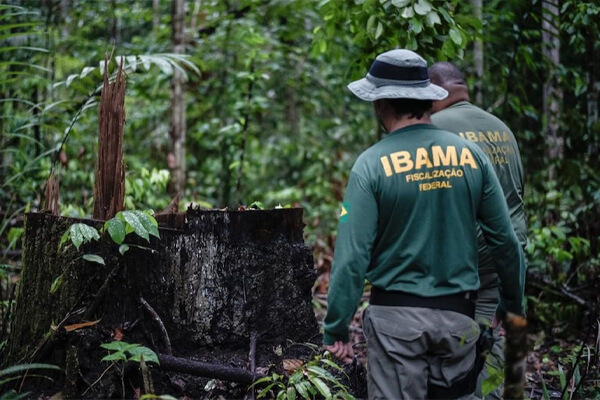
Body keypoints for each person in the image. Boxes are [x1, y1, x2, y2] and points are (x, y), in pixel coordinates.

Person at [322, 49, 526, 400]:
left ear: (381, 104)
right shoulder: (471, 156)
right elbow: (505, 241)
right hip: (460, 322)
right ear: (427, 101)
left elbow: (352, 257)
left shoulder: (370, 165)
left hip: (394, 328)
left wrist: (336, 329)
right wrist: (510, 305)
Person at [429, 61, 527, 399]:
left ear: (434, 93)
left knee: (453, 361)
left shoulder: (433, 128)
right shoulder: (502, 128)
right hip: (507, 259)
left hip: (460, 262)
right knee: (496, 346)